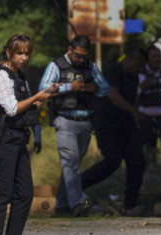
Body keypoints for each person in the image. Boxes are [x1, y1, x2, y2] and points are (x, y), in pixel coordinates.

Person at [0, 35, 57, 235]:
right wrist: (35, 96)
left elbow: (26, 106)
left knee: (25, 191)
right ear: (8, 52)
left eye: (26, 53)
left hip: (18, 137)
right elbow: (12, 108)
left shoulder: (19, 76)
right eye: (19, 53)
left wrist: (43, 98)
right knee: (2, 192)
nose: (24, 57)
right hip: (3, 139)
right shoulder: (0, 75)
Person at [39, 35, 110, 216]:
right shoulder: (56, 66)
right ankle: (78, 204)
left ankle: (62, 205)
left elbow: (106, 88)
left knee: (72, 165)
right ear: (70, 50)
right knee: (70, 163)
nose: (80, 60)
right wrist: (70, 87)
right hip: (65, 121)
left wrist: (92, 88)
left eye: (84, 56)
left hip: (85, 122)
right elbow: (44, 89)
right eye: (78, 56)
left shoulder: (90, 66)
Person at [79, 49, 149, 216]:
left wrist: (135, 114)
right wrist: (134, 112)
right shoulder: (114, 70)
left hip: (127, 125)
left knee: (137, 160)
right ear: (131, 60)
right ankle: (76, 187)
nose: (140, 70)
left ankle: (130, 203)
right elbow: (113, 95)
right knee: (112, 162)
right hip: (108, 124)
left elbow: (131, 98)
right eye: (139, 65)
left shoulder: (134, 76)